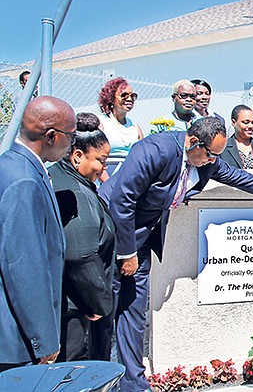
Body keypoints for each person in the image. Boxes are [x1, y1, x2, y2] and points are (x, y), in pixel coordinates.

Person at [98, 116, 253, 391]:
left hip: (143, 238)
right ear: (194, 141)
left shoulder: (206, 160)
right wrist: (126, 252)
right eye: (211, 154)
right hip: (113, 234)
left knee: (134, 311)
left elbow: (237, 176)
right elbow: (122, 200)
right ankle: (98, 374)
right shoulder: (155, 150)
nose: (213, 161)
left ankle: (133, 383)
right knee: (102, 310)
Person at [0, 96, 76, 372]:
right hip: (15, 341)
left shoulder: (12, 165)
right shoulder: (24, 180)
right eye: (71, 135)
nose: (73, 143)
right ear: (51, 136)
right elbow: (23, 265)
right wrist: (43, 340)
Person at [50, 113, 116, 362]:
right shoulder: (75, 191)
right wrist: (98, 304)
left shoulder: (61, 175)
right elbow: (81, 256)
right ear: (77, 156)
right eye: (101, 160)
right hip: (74, 307)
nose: (104, 169)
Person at [97, 77, 144, 180]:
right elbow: (96, 158)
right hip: (105, 180)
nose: (129, 99)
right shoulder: (102, 123)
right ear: (111, 98)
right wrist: (108, 185)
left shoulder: (135, 127)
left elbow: (143, 159)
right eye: (124, 95)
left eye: (133, 96)